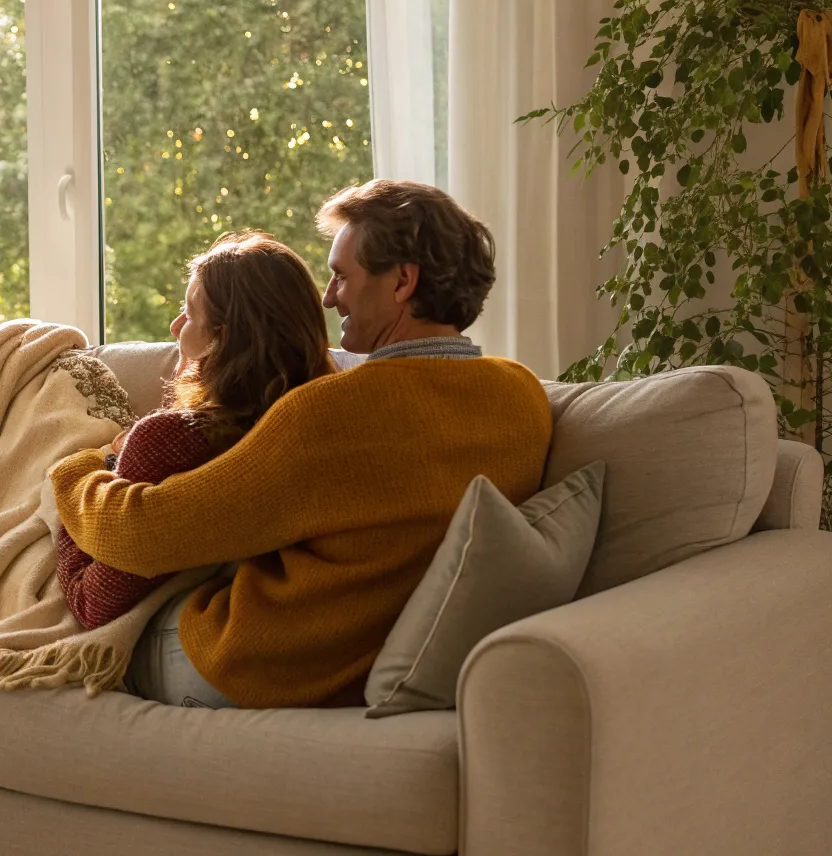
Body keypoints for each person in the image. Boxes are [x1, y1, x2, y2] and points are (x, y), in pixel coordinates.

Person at [53, 179, 555, 709]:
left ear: (403, 280)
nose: (327, 296)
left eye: (341, 275)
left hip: (265, 664)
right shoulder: (522, 397)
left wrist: (77, 471)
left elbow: (144, 533)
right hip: (370, 664)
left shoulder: (335, 410)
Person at [54, 232, 333, 639]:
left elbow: (92, 603)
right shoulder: (324, 417)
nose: (174, 326)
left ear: (222, 338)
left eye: (188, 314)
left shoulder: (173, 440)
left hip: (202, 641)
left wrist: (78, 473)